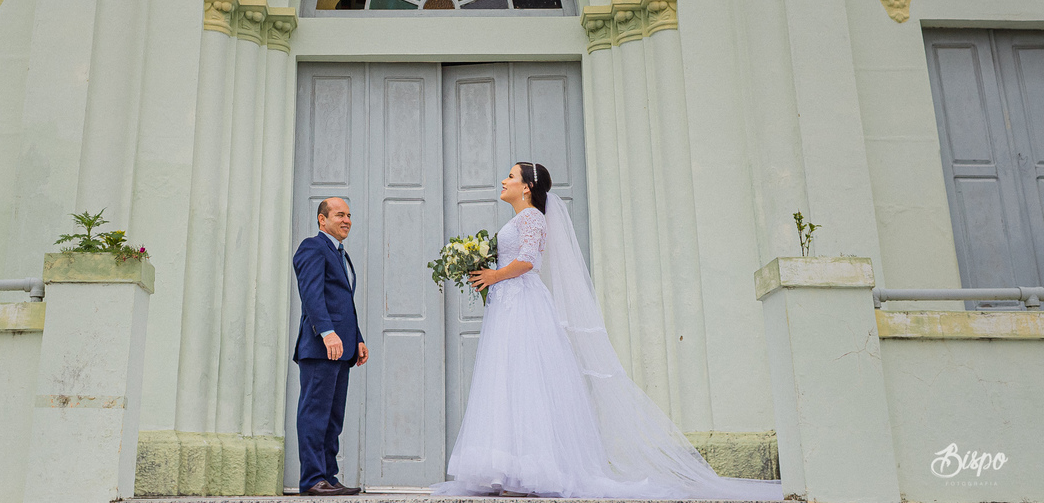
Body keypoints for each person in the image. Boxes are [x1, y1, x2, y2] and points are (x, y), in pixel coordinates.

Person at [433, 163, 783, 500]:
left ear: (527, 187)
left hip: (523, 303)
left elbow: (529, 261)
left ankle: (531, 470)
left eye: (510, 176)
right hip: (509, 303)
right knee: (507, 380)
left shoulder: (533, 217)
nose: (504, 181)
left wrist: (494, 275)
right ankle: (509, 469)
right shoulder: (520, 218)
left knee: (526, 380)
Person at [292, 197, 369, 496]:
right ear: (322, 220)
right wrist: (326, 332)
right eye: (339, 214)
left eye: (349, 215)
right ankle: (312, 479)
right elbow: (311, 295)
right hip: (320, 346)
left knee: (333, 417)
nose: (346, 219)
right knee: (315, 413)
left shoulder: (340, 253)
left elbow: (342, 303)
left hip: (342, 347)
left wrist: (357, 338)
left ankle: (328, 476)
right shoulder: (312, 247)